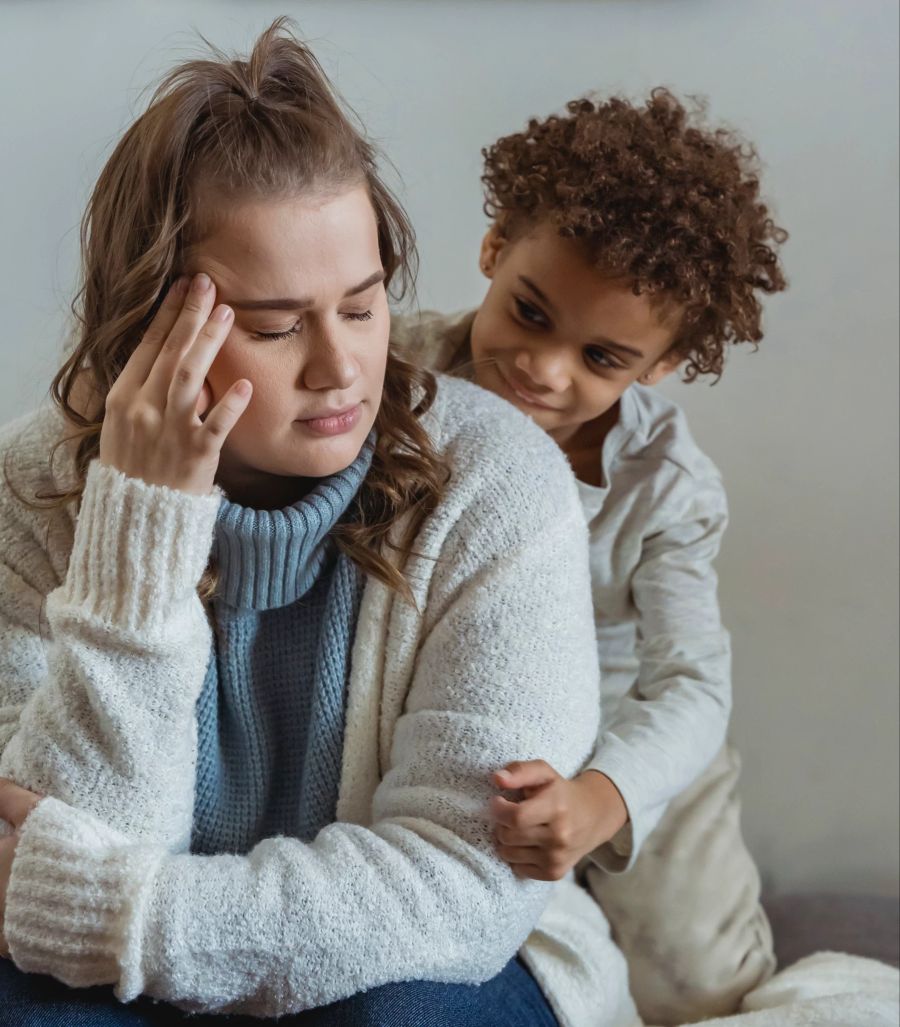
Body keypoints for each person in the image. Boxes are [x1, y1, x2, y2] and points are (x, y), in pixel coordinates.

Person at [0, 21, 638, 1027]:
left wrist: (119, 915)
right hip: (128, 979)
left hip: (431, 965)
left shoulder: (498, 485)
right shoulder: (34, 488)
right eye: (276, 325)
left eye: (364, 303)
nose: (341, 368)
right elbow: (40, 845)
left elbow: (453, 887)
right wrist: (142, 525)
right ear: (148, 326)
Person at [391, 90, 788, 1024]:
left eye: (601, 357)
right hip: (469, 727)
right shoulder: (395, 377)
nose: (545, 369)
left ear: (660, 364)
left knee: (693, 986)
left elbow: (691, 684)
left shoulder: (670, 487)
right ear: (493, 251)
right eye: (528, 313)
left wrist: (605, 796)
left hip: (629, 744)